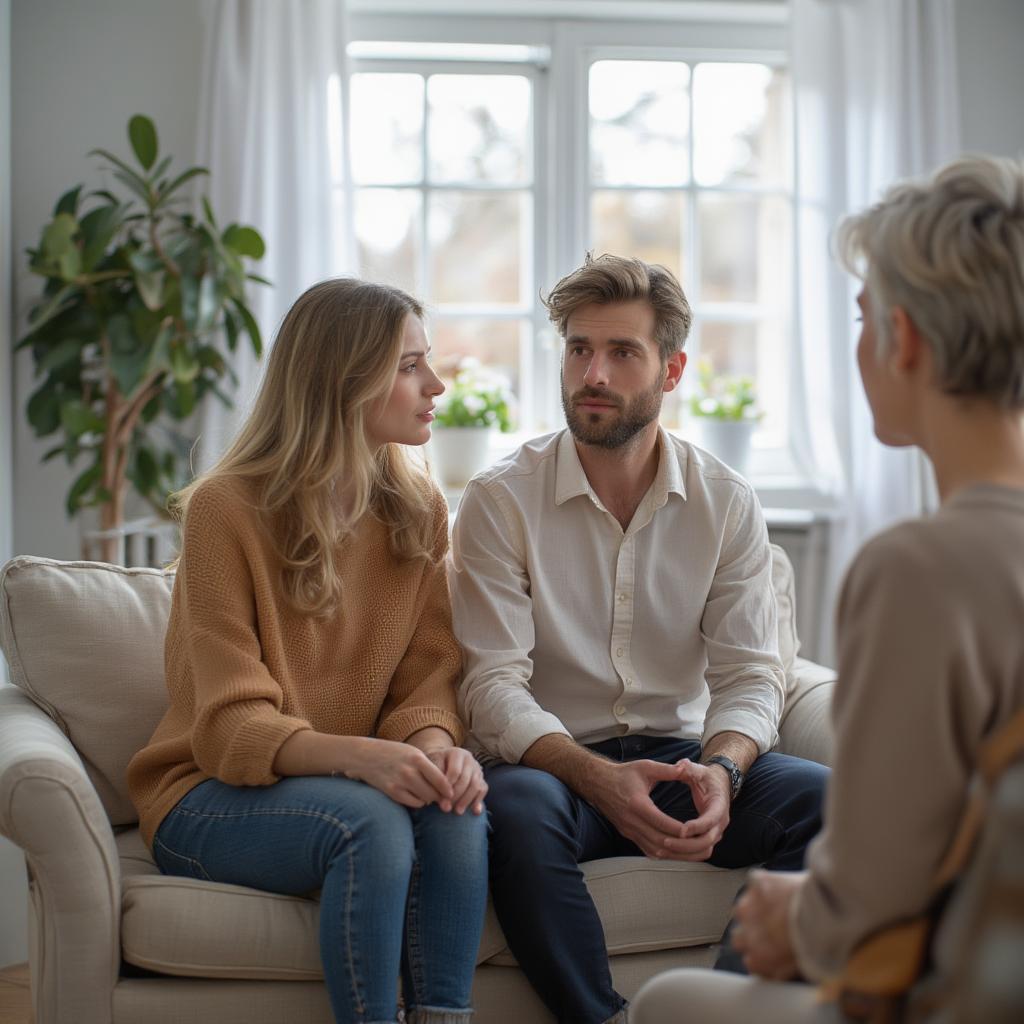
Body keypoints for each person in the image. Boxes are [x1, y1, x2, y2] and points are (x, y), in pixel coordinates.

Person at [630, 155, 1024, 1023]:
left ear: (902, 337)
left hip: (955, 998)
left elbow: (868, 904)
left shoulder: (922, 569)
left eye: (859, 318)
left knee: (669, 1003)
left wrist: (793, 916)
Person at [447, 253, 829, 1024]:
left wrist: (723, 768)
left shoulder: (724, 501)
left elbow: (755, 673)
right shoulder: (499, 501)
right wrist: (594, 779)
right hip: (555, 768)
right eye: (579, 348)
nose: (593, 372)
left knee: (834, 803)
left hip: (686, 758)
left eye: (622, 352)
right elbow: (490, 684)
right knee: (512, 813)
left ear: (672, 369)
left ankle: (719, 1008)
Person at [127, 278, 489, 1024]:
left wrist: (434, 747)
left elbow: (427, 677)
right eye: (409, 365)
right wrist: (364, 760)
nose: (436, 385)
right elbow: (229, 728)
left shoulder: (418, 509)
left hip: (347, 786)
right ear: (343, 379)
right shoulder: (225, 509)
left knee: (457, 809)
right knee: (371, 821)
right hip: (207, 797)